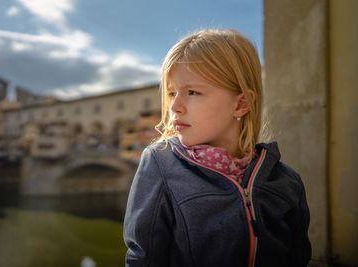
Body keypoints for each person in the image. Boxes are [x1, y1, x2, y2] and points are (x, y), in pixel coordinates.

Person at [123, 29, 311, 267]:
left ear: (241, 104)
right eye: (172, 94)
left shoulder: (287, 181)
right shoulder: (161, 163)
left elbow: (298, 256)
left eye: (192, 92)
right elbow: (143, 259)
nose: (175, 107)